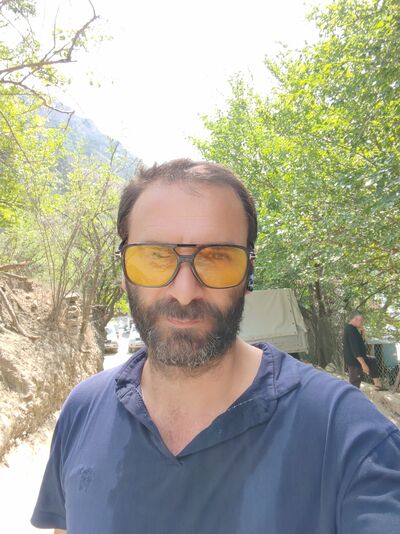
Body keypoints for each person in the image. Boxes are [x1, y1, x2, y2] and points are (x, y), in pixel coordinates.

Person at [32, 159, 400, 534]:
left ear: (249, 274)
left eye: (217, 258)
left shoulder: (347, 436)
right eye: (155, 257)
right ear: (123, 272)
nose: (184, 292)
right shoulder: (83, 410)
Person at [343, 311, 386, 391]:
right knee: (355, 385)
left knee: (372, 360)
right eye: (361, 320)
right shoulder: (351, 330)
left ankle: (378, 384)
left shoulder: (353, 329)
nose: (362, 322)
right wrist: (363, 364)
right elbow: (355, 350)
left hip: (358, 358)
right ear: (355, 319)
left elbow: (359, 343)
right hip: (355, 362)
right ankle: (352, 397)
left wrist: (362, 334)